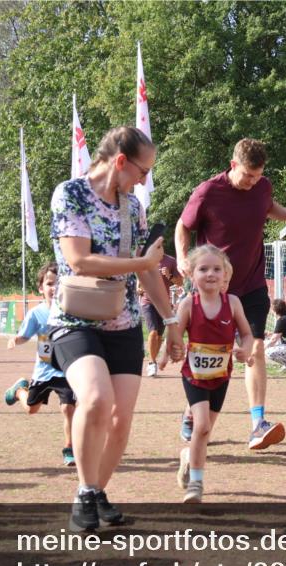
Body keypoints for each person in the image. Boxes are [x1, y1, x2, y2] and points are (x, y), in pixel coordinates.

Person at [49, 125, 179, 532]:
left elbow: (150, 272)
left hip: (124, 323)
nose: (144, 180)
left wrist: (172, 320)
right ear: (120, 161)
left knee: (122, 419)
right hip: (75, 320)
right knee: (95, 399)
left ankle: (93, 492)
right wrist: (140, 266)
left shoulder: (133, 207)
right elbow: (79, 261)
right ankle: (87, 492)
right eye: (143, 171)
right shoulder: (69, 194)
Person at [175, 137, 286, 451]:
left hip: (252, 286)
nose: (253, 182)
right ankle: (191, 413)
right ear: (233, 165)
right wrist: (183, 257)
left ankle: (257, 424)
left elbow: (268, 208)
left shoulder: (262, 187)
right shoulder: (208, 192)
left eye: (258, 176)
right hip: (214, 289)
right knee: (212, 355)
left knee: (253, 350)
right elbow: (183, 226)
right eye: (247, 176)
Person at [175, 245, 254, 503]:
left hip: (221, 376)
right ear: (191, 274)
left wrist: (246, 349)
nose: (210, 273)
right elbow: (174, 336)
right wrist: (171, 350)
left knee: (204, 433)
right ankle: (196, 484)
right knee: (202, 426)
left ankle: (189, 456)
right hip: (194, 377)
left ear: (225, 274)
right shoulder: (188, 304)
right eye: (203, 268)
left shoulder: (232, 303)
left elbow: (247, 332)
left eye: (216, 269)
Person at [5, 262, 78, 467]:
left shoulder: (72, 311)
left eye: (58, 283)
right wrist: (15, 340)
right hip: (44, 370)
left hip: (65, 370)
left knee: (68, 408)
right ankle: (20, 389)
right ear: (41, 288)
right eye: (49, 283)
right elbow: (25, 335)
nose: (54, 288)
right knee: (31, 409)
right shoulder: (36, 314)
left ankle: (69, 448)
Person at [141, 253, 183, 378]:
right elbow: (138, 275)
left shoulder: (170, 261)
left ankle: (153, 359)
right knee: (153, 332)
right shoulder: (145, 258)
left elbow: (180, 282)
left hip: (164, 303)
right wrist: (139, 287)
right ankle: (151, 362)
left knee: (159, 335)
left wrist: (169, 275)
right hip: (147, 301)